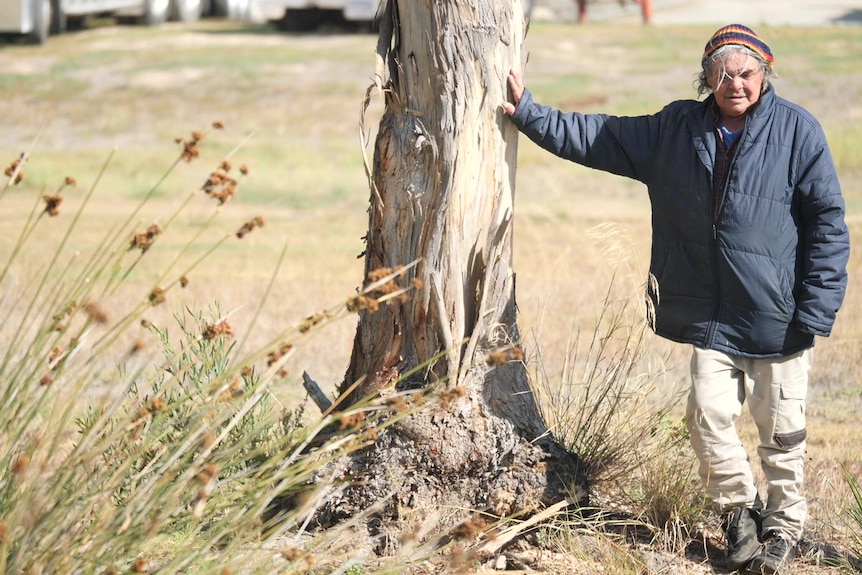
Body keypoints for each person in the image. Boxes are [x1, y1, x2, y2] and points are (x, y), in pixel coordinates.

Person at [502, 24, 850, 575]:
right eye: (723, 74)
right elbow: (601, 136)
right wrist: (529, 113)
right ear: (706, 79)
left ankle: (784, 528)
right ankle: (740, 514)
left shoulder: (798, 132)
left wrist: (817, 306)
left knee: (782, 433)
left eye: (747, 73)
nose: (736, 83)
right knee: (706, 417)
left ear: (764, 75)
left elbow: (828, 223)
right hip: (711, 318)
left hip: (778, 316)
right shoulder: (676, 129)